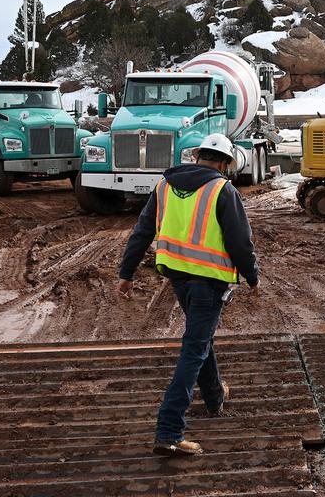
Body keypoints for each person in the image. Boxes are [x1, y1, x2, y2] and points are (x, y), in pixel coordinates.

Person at [116, 133, 259, 457]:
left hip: (178, 277)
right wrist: (252, 276)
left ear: (198, 157)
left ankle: (214, 397)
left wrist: (126, 273)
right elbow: (240, 243)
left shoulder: (165, 186)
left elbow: (143, 230)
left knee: (200, 337)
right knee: (193, 349)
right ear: (224, 163)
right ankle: (169, 431)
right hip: (209, 282)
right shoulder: (223, 189)